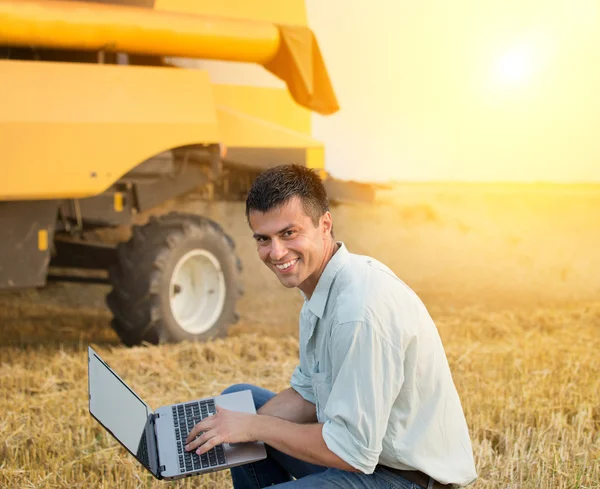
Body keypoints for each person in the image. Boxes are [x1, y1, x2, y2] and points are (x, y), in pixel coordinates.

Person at [185, 164, 477, 488]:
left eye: (288, 233)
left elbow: (352, 451)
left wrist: (253, 428)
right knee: (239, 400)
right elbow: (308, 396)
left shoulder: (358, 311)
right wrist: (222, 426)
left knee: (253, 422)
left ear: (325, 224)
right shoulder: (321, 289)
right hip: (368, 464)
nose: (276, 252)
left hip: (405, 479)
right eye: (263, 239)